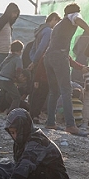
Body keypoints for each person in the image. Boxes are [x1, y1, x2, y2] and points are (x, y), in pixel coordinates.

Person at [44, 3, 89, 136]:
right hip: (58, 57)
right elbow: (78, 20)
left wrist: (80, 68)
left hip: (49, 57)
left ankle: (50, 122)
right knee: (66, 90)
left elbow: (63, 55)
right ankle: (70, 125)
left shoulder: (58, 26)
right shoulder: (73, 16)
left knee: (54, 91)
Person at [27, 12, 61, 122]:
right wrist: (36, 61)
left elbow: (33, 49)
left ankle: (31, 113)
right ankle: (35, 114)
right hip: (42, 64)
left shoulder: (40, 30)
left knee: (35, 90)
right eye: (57, 22)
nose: (56, 25)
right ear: (54, 19)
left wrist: (33, 60)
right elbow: (42, 48)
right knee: (41, 92)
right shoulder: (48, 31)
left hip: (37, 63)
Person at [0, 40, 24, 113]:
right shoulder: (17, 59)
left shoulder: (8, 57)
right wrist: (17, 78)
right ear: (20, 50)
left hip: (0, 78)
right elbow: (19, 69)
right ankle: (10, 112)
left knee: (1, 93)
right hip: (7, 79)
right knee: (16, 97)